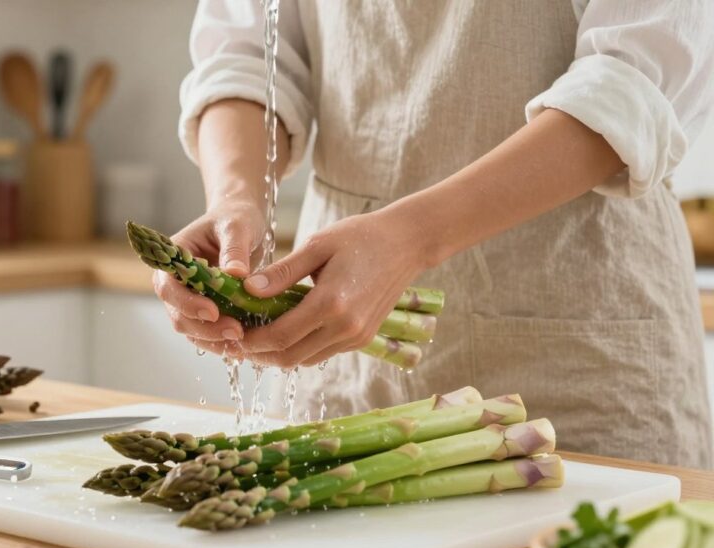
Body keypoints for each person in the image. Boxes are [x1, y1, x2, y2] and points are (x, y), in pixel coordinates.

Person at [155, 0, 714, 468]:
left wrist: (410, 236)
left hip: (579, 336)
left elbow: (632, 86)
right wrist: (236, 196)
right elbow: (247, 57)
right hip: (346, 350)